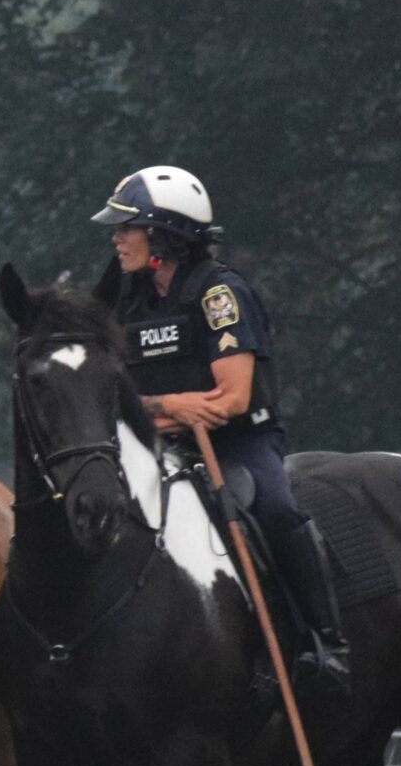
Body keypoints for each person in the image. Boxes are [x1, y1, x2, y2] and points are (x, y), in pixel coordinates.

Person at [91, 165, 353, 727]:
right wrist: (167, 410)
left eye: (126, 228)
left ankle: (325, 643)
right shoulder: (121, 297)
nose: (115, 238)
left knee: (275, 511)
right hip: (154, 443)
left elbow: (228, 400)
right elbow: (101, 393)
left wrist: (155, 409)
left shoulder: (220, 294)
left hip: (237, 442)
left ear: (162, 234)